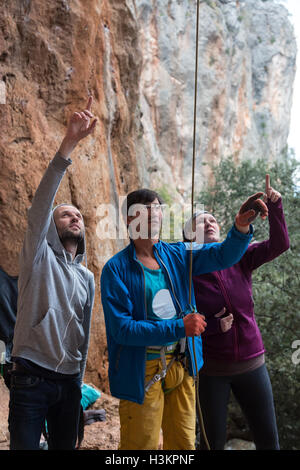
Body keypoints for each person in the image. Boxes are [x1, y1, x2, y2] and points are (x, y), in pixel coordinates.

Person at [100, 188, 268, 450]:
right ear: (130, 219)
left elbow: (223, 255)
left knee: (184, 445)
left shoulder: (178, 255)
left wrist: (240, 228)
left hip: (182, 364)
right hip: (141, 370)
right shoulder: (116, 269)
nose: (153, 213)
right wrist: (179, 327)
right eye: (145, 208)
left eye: (157, 208)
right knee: (140, 446)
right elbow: (123, 329)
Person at [8, 97, 97, 450]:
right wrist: (69, 144)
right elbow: (42, 204)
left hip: (70, 383)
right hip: (31, 376)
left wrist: (79, 379)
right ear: (50, 227)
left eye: (79, 216)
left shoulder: (88, 278)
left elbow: (84, 334)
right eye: (65, 215)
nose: (75, 218)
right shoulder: (37, 256)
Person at [186, 175, 289, 450]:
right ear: (188, 237)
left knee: (269, 440)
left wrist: (275, 207)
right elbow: (177, 319)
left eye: (212, 221)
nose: (208, 223)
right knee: (212, 444)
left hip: (252, 364)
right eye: (200, 222)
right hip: (211, 370)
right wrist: (209, 327)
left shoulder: (241, 256)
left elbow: (280, 245)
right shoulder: (185, 269)